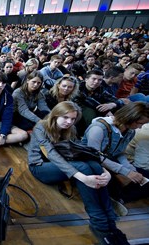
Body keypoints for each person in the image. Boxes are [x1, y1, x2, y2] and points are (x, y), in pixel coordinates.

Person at [27, 101, 130, 245]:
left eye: (72, 119)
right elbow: (51, 155)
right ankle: (100, 224)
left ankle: (110, 223)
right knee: (83, 168)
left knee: (93, 165)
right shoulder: (41, 127)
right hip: (40, 166)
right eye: (65, 118)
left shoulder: (71, 129)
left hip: (66, 162)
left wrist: (105, 171)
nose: (69, 122)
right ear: (56, 115)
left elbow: (81, 151)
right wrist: (83, 178)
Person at [82, 102, 149, 203]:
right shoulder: (98, 128)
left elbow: (119, 153)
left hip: (110, 162)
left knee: (144, 176)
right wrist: (126, 172)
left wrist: (131, 169)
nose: (140, 127)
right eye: (140, 123)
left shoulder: (130, 131)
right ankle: (116, 197)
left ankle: (119, 198)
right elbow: (95, 156)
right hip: (92, 163)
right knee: (105, 178)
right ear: (130, 118)